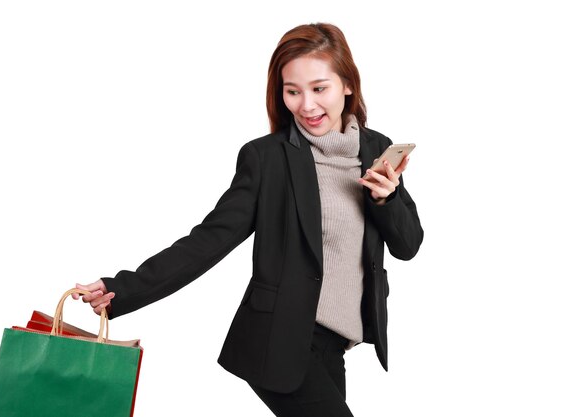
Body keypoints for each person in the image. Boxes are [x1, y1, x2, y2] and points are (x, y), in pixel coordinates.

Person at [74, 22, 423, 417]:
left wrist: (387, 199)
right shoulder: (268, 159)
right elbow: (208, 241)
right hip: (280, 340)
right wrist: (124, 289)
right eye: (292, 91)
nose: (306, 105)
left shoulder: (377, 149)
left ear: (347, 85)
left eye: (319, 88)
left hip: (335, 345)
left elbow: (408, 246)